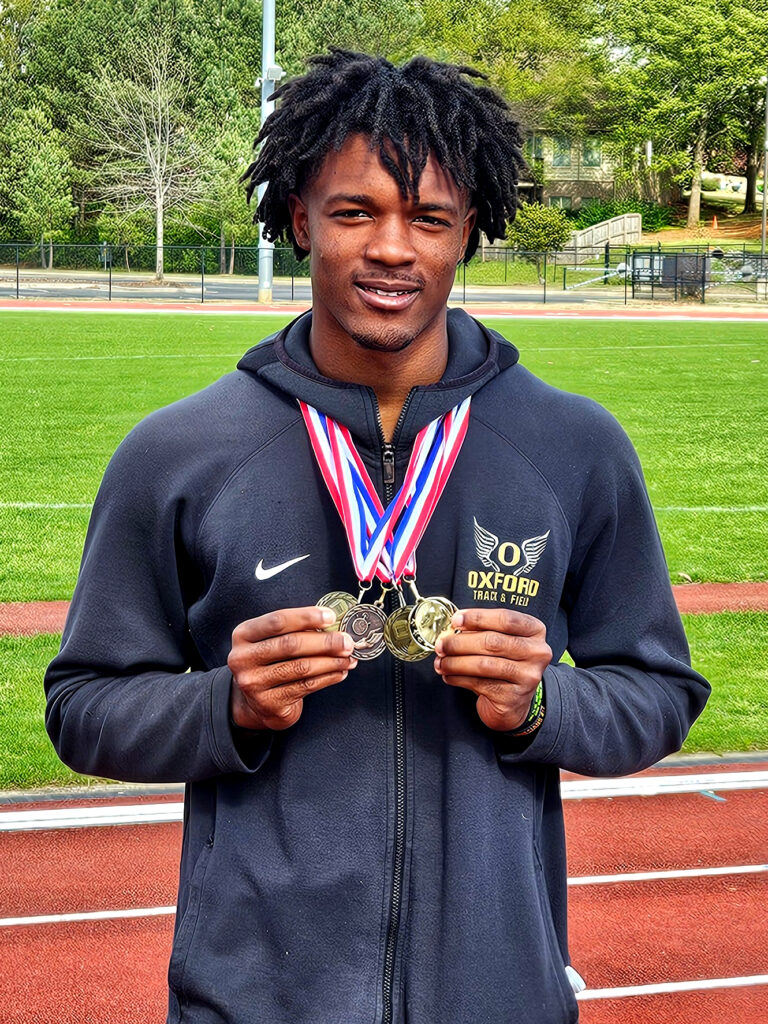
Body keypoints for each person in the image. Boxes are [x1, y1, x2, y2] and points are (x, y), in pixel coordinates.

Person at [45, 50, 709, 1024]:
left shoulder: (572, 446)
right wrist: (227, 707)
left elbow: (658, 692)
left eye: (429, 217)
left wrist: (539, 705)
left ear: (468, 230)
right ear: (302, 216)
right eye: (356, 211)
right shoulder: (179, 454)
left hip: (497, 996)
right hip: (254, 999)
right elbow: (83, 707)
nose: (393, 247)